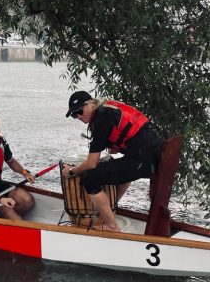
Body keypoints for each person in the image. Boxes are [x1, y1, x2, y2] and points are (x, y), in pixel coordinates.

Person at [62, 91, 164, 232]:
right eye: (74, 115)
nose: (79, 116)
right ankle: (108, 211)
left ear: (91, 103)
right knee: (118, 171)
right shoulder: (107, 109)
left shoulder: (100, 120)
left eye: (80, 111)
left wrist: (71, 171)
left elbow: (91, 163)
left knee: (89, 178)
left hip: (146, 160)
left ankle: (111, 225)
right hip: (155, 154)